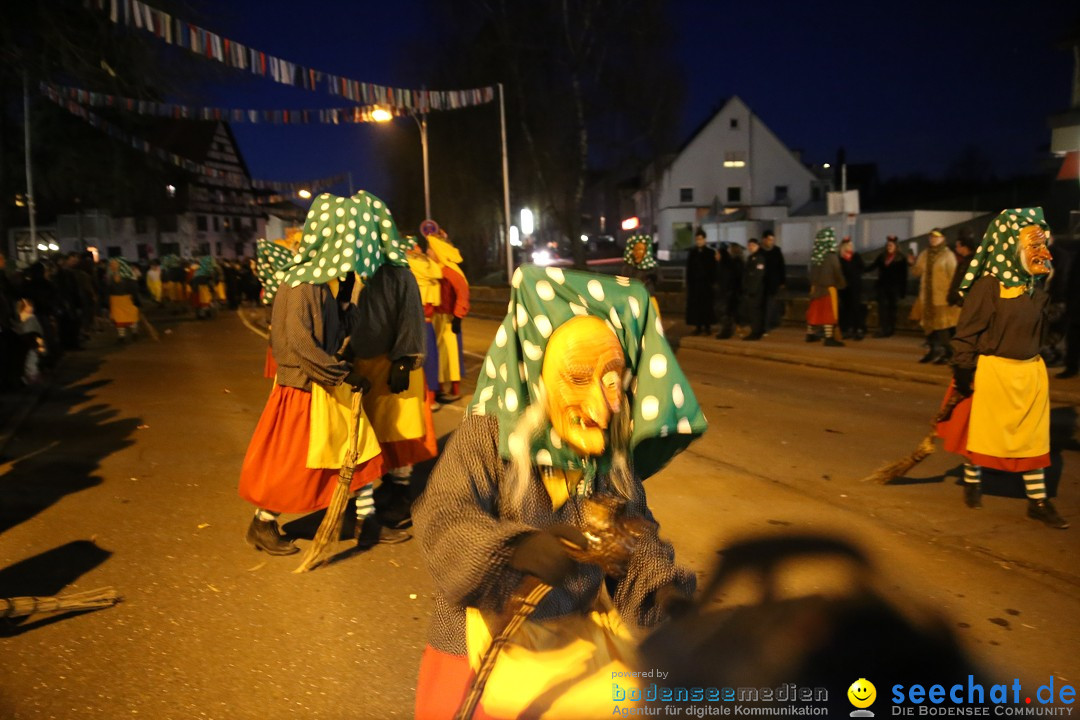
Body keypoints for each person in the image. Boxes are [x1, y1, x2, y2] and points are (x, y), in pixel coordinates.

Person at [413, 265, 705, 719]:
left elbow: (631, 542)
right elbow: (444, 515)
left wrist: (662, 589)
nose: (600, 410)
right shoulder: (488, 435)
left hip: (571, 646)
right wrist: (512, 549)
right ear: (536, 375)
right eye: (578, 378)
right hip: (480, 646)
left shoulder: (607, 456)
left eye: (612, 383)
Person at [238, 192, 405, 555]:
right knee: (294, 466)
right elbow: (301, 345)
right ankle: (262, 523)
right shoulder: (299, 286)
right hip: (304, 390)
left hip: (323, 384)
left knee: (357, 452)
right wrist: (340, 375)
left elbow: (335, 333)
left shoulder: (318, 285)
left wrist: (345, 303)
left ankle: (366, 522)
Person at [937, 208, 1067, 529]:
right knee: (983, 434)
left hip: (1031, 373)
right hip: (995, 372)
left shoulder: (1036, 286)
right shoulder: (989, 286)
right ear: (1010, 245)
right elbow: (966, 334)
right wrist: (964, 373)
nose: (1044, 253)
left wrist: (1054, 296)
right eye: (1034, 245)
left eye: (1044, 244)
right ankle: (972, 481)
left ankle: (1037, 502)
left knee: (1034, 441)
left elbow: (1046, 329)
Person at [425, 226, 470, 404]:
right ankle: (440, 388)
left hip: (449, 319)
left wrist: (458, 316)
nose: (428, 252)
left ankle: (454, 389)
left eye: (430, 249)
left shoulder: (450, 271)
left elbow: (463, 293)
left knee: (451, 355)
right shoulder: (433, 269)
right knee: (439, 356)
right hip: (436, 318)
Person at [909, 229, 960, 364]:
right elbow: (916, 272)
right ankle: (933, 350)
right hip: (926, 298)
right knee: (928, 326)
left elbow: (954, 276)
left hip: (941, 297)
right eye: (931, 237)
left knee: (942, 327)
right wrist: (912, 263)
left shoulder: (947, 255)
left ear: (943, 238)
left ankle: (948, 353)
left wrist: (953, 295)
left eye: (936, 237)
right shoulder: (925, 254)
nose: (933, 239)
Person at [806, 228, 846, 346]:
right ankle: (829, 338)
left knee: (814, 312)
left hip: (815, 288)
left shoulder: (815, 256)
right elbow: (837, 272)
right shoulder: (831, 256)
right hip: (828, 288)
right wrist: (842, 284)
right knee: (829, 314)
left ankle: (810, 334)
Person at [869, 236, 908, 337]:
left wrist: (902, 291)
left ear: (896, 246)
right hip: (882, 287)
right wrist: (860, 270)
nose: (889, 247)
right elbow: (873, 266)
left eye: (891, 245)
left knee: (892, 309)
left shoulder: (901, 258)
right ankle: (883, 329)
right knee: (882, 309)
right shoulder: (882, 257)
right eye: (888, 245)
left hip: (894, 288)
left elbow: (904, 275)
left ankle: (890, 329)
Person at [685, 227, 716, 335]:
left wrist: (712, 282)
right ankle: (698, 327)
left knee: (706, 306)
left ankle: (707, 327)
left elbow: (713, 269)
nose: (699, 241)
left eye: (701, 239)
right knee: (696, 306)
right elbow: (689, 269)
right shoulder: (692, 253)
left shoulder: (710, 253)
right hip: (695, 285)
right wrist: (688, 282)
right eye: (697, 239)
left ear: (705, 240)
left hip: (706, 285)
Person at [1058, 244, 1080, 379]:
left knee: (1074, 336)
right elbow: (1072, 279)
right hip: (1076, 303)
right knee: (1073, 337)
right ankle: (1071, 366)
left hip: (1076, 303)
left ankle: (1071, 367)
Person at [837, 237, 866, 340]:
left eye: (851, 245)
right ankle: (847, 329)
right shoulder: (840, 258)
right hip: (844, 287)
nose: (851, 247)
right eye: (849, 245)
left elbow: (862, 268)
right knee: (845, 308)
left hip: (855, 286)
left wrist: (855, 274)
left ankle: (858, 328)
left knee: (856, 307)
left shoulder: (856, 256)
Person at [106, 258, 141, 343]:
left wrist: (136, 300)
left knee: (131, 318)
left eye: (115, 264)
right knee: (118, 320)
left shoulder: (128, 277)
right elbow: (107, 291)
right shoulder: (109, 278)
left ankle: (134, 333)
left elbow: (134, 289)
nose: (113, 266)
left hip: (127, 299)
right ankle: (121, 336)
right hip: (115, 300)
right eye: (111, 264)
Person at [714, 242, 743, 339]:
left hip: (726, 293)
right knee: (724, 312)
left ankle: (726, 332)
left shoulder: (726, 266)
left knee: (724, 313)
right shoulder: (722, 265)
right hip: (725, 293)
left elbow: (726, 280)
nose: (716, 256)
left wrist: (725, 290)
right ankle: (726, 330)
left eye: (717, 254)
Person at [740, 238, 767, 340]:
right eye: (749, 245)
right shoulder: (751, 257)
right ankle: (755, 330)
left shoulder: (759, 258)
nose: (750, 247)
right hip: (750, 289)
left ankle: (756, 332)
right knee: (752, 312)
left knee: (755, 312)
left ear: (757, 246)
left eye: (753, 245)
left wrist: (752, 290)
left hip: (756, 290)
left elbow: (758, 275)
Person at [760, 231, 786, 331]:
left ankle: (768, 324)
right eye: (770, 239)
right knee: (762, 305)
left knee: (771, 304)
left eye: (773, 240)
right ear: (764, 239)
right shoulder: (760, 251)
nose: (771, 242)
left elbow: (781, 266)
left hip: (773, 283)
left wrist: (782, 281)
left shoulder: (776, 251)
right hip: (761, 283)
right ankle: (764, 324)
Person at [946, 230, 978, 307]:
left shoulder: (970, 263)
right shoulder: (965, 262)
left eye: (957, 246)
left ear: (964, 247)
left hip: (965, 304)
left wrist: (959, 301)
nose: (956, 249)